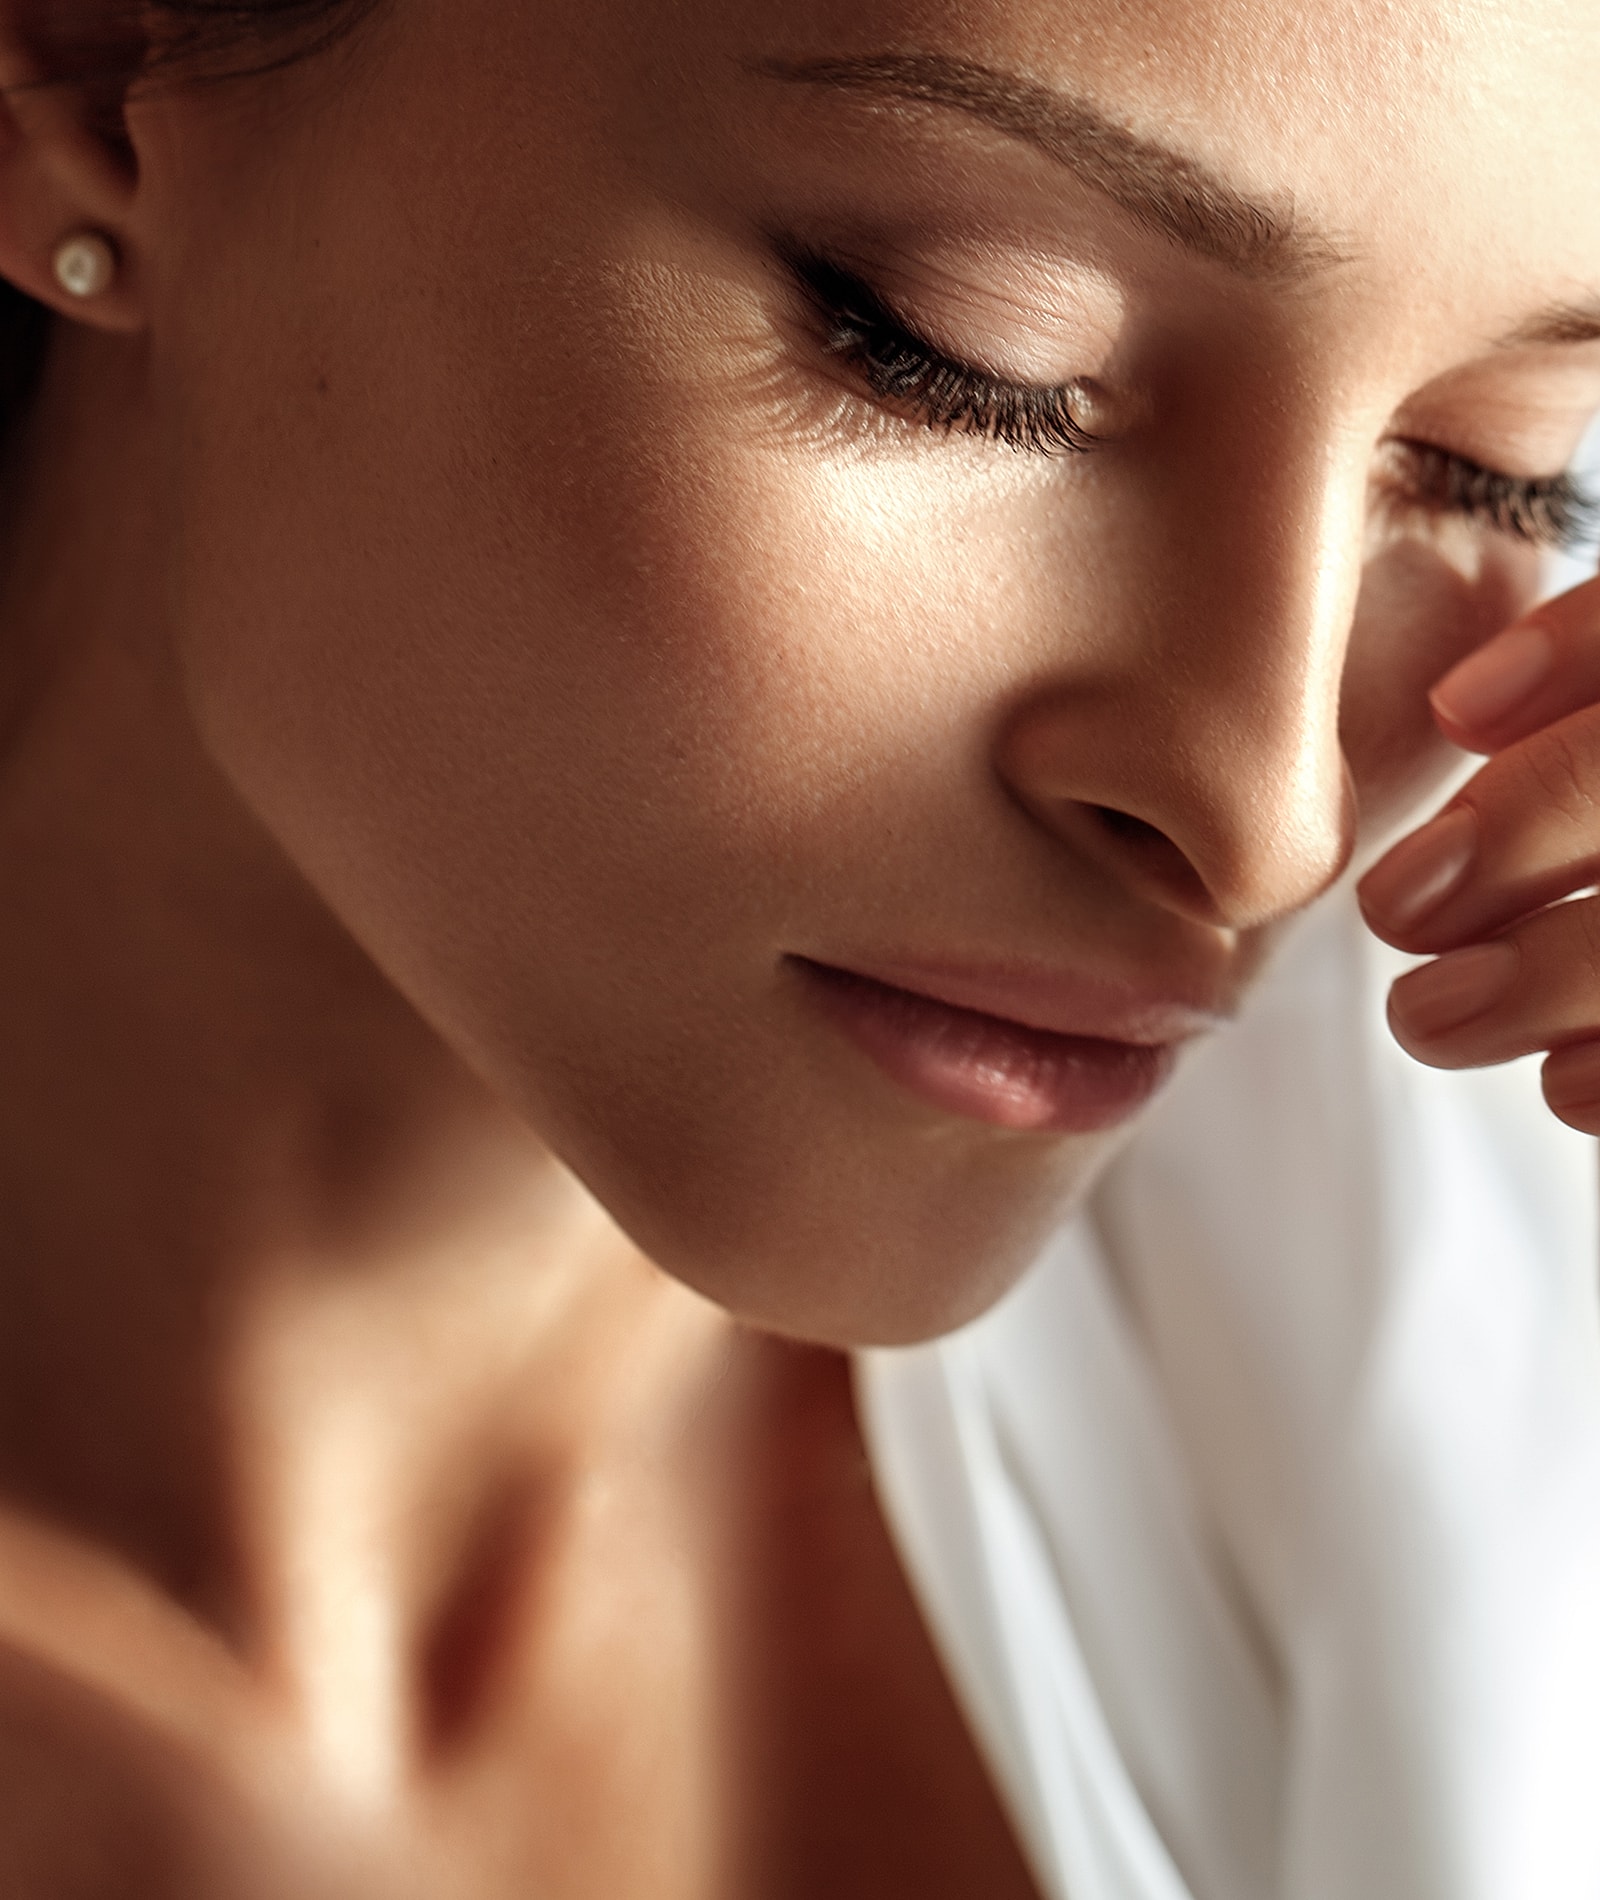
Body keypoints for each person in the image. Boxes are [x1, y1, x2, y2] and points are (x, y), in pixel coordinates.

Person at [1, 0, 1599, 1893]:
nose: (1271, 824)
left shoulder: (1469, 1311)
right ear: (102, 66)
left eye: (1506, 469)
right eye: (964, 349)